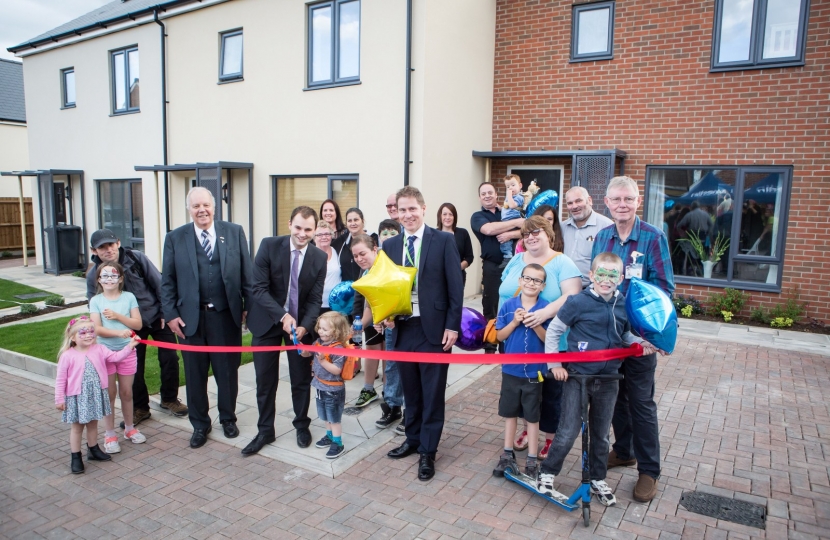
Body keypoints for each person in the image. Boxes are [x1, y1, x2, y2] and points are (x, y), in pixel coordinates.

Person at [537, 252, 658, 507]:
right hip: (578, 377)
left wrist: (641, 344)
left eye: (612, 275)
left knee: (601, 434)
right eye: (600, 274)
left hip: (608, 379)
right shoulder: (577, 302)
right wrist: (555, 363)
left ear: (621, 278)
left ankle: (597, 476)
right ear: (591, 276)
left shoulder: (623, 304)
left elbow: (625, 336)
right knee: (568, 430)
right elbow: (555, 330)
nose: (606, 280)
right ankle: (547, 472)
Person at [592, 175, 675, 503]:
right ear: (608, 204)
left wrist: (653, 334)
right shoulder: (602, 237)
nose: (622, 205)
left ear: (637, 201)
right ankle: (623, 451)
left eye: (628, 199)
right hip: (608, 336)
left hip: (639, 339)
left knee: (640, 402)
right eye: (617, 200)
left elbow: (665, 290)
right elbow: (595, 281)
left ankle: (649, 470)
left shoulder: (653, 238)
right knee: (614, 397)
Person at [161, 187, 253, 449]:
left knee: (227, 372)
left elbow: (247, 274)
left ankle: (228, 418)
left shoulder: (233, 232)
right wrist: (170, 315)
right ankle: (200, 424)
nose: (201, 210)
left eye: (205, 205)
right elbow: (167, 280)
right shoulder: (175, 238)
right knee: (194, 374)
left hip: (225, 317)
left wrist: (248, 307)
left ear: (214, 206)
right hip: (190, 319)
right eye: (195, 206)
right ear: (189, 209)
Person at [381, 186, 463, 481]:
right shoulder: (390, 247)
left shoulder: (442, 240)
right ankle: (413, 439)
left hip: (436, 331)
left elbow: (456, 286)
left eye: (412, 208)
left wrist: (452, 325)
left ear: (423, 209)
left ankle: (428, 450)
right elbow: (386, 290)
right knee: (411, 391)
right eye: (402, 210)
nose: (407, 215)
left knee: (432, 393)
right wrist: (386, 316)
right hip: (404, 330)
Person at [243, 206, 327, 455]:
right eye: (298, 227)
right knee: (265, 381)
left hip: (299, 327)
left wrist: (304, 325)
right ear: (290, 224)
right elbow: (258, 288)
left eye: (308, 229)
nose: (302, 234)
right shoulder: (269, 245)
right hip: (267, 321)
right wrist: (282, 316)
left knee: (301, 379)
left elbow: (315, 299)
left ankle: (302, 424)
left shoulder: (319, 258)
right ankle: (265, 430)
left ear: (314, 231)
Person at [500, 216, 582, 460]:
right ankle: (528, 431)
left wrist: (543, 313)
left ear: (549, 234)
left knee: (551, 394)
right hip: (514, 339)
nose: (531, 237)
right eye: (526, 234)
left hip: (550, 342)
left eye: (537, 232)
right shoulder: (516, 259)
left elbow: (573, 295)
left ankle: (549, 439)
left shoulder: (562, 262)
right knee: (522, 390)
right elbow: (504, 291)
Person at [86, 229, 186, 426]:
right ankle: (141, 407)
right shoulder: (94, 275)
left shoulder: (136, 258)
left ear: (118, 242)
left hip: (156, 317)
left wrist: (166, 313)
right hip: (127, 326)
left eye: (111, 244)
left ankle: (169, 399)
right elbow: (93, 303)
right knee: (134, 367)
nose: (108, 250)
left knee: (170, 358)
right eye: (102, 247)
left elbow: (160, 285)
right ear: (94, 250)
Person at [55, 316, 140, 474]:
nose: (89, 335)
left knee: (93, 423)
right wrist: (59, 399)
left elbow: (116, 357)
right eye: (83, 332)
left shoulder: (99, 349)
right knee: (77, 427)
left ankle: (93, 449)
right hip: (77, 397)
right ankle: (76, 456)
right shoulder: (67, 356)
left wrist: (130, 346)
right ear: (72, 337)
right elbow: (60, 380)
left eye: (91, 331)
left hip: (94, 394)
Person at [492, 263, 551, 479]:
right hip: (511, 370)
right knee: (510, 413)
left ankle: (532, 459)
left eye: (537, 280)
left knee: (532, 415)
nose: (531, 283)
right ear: (520, 280)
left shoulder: (546, 308)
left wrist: (535, 323)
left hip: (535, 372)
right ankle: (507, 454)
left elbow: (549, 340)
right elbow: (499, 336)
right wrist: (515, 322)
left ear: (542, 285)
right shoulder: (508, 306)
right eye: (527, 278)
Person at [89, 262, 146, 453]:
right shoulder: (96, 301)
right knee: (110, 394)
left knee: (127, 392)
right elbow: (97, 329)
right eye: (104, 276)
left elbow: (137, 324)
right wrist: (118, 334)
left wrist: (117, 317)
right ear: (99, 280)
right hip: (104, 354)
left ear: (120, 278)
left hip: (128, 352)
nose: (109, 279)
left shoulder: (129, 297)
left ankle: (129, 429)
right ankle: (109, 433)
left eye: (113, 276)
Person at [471, 182, 524, 353]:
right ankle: (490, 344)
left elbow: (526, 228)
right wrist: (516, 222)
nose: (487, 196)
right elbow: (488, 230)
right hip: (492, 266)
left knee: (514, 300)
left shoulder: (507, 211)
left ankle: (511, 339)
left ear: (496, 195)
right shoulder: (478, 216)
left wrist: (510, 233)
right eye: (483, 193)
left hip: (515, 264)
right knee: (491, 303)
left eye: (490, 193)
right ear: (479, 197)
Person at [301, 311, 352, 459]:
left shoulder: (338, 350)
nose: (320, 331)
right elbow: (307, 354)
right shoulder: (318, 343)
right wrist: (303, 350)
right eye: (320, 328)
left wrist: (323, 361)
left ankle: (338, 443)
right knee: (325, 416)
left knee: (334, 418)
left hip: (333, 391)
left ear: (336, 331)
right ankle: (329, 436)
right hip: (320, 387)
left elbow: (336, 370)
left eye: (324, 329)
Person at [375, 219, 406, 431]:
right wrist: (379, 317)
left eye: (392, 232)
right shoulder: (379, 261)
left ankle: (409, 411)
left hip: (408, 319)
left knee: (408, 366)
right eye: (383, 233)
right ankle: (393, 406)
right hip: (389, 321)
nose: (387, 236)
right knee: (392, 366)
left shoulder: (406, 255)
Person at [350, 234, 387, 408]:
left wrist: (386, 318)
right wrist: (356, 327)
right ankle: (369, 389)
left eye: (362, 254)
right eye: (355, 256)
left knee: (388, 355)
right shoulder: (367, 271)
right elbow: (369, 306)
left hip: (393, 322)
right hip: (376, 319)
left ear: (374, 249)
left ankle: (389, 394)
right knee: (373, 349)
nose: (359, 259)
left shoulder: (384, 268)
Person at [561, 187, 613, 288]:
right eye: (570, 203)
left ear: (589, 200)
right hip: (563, 287)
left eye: (578, 201)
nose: (574, 206)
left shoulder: (606, 227)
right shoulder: (562, 227)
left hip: (591, 289)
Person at [332, 208, 379, 283]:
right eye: (349, 221)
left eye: (356, 220)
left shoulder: (375, 238)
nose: (353, 223)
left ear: (362, 221)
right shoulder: (340, 242)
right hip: (347, 291)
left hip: (369, 287)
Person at [437, 203, 475, 287]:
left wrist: (457, 268)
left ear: (454, 217)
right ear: (440, 216)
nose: (447, 217)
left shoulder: (463, 233)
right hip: (438, 278)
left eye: (451, 214)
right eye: (444, 214)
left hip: (457, 277)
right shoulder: (433, 235)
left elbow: (469, 257)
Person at [313, 220, 342, 316]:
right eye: (320, 235)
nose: (324, 237)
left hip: (336, 305)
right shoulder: (310, 254)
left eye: (327, 234)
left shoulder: (336, 251)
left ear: (332, 236)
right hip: (316, 305)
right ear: (314, 237)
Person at [500, 174, 525, 263]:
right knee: (504, 239)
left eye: (513, 185)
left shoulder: (519, 197)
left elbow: (512, 205)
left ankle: (508, 256)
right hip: (507, 221)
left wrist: (509, 195)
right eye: (508, 186)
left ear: (520, 186)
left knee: (506, 239)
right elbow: (506, 207)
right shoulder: (510, 198)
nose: (510, 188)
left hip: (514, 220)